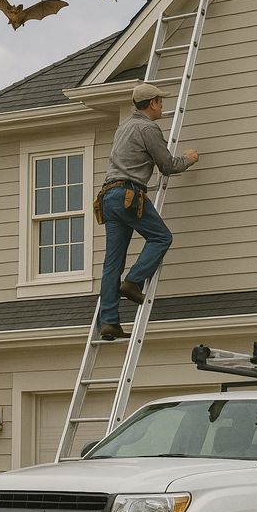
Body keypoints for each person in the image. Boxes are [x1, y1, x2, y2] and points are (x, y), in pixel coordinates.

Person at [97, 82, 199, 340]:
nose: (162, 106)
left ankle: (108, 322)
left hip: (108, 196)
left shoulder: (124, 127)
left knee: (112, 263)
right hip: (128, 194)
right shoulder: (147, 128)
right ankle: (133, 281)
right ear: (152, 103)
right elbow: (167, 165)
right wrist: (188, 159)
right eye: (160, 101)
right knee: (161, 237)